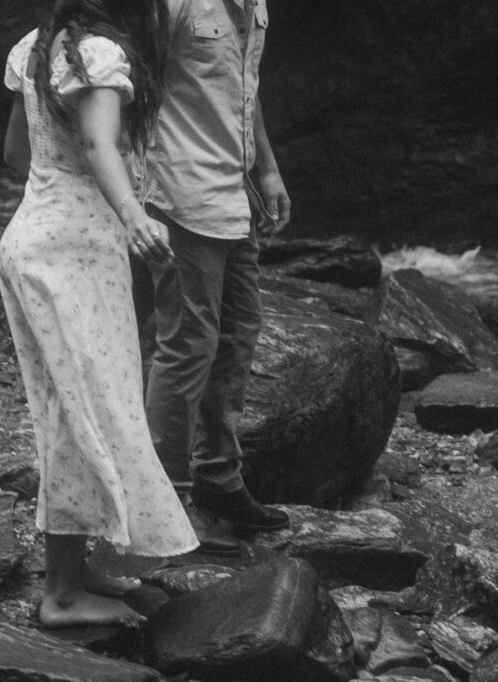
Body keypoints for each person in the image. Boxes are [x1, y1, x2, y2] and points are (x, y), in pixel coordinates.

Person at [0, 0, 200, 629]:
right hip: (74, 253)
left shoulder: (36, 46)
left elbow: (14, 152)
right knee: (85, 412)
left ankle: (73, 570)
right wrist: (134, 215)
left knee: (71, 408)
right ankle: (61, 595)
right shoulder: (102, 55)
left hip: (31, 237)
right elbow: (98, 141)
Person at [131, 0, 292, 550]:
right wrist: (132, 193)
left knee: (238, 334)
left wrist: (265, 167)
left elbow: (243, 87)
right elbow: (126, 79)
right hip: (179, 191)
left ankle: (219, 480)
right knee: (187, 345)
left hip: (233, 191)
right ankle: (164, 499)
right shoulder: (171, 5)